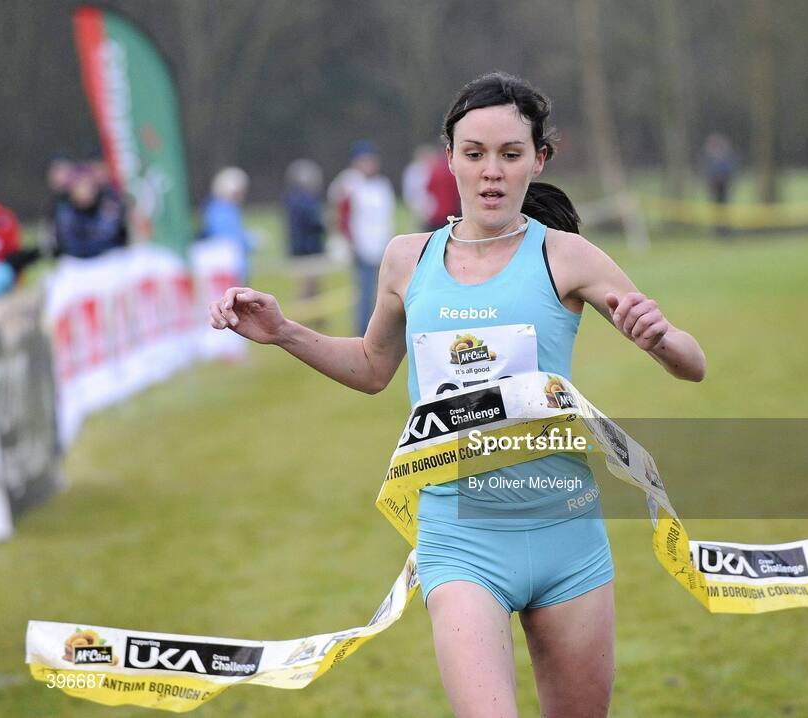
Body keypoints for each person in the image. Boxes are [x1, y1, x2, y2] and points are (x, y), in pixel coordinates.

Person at [210, 72, 705, 717]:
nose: (492, 172)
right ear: (449, 159)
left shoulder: (568, 257)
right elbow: (370, 366)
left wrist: (660, 338)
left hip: (567, 534)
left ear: (539, 159)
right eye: (474, 154)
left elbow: (691, 364)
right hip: (460, 538)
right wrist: (283, 332)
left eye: (510, 154)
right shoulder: (406, 260)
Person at [328, 142, 395, 336]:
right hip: (361, 246)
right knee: (364, 291)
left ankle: (383, 328)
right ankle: (363, 330)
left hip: (381, 245)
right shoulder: (348, 184)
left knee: (383, 291)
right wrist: (347, 242)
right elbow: (340, 215)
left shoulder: (381, 185)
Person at [54, 167, 127, 259]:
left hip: (114, 256)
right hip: (85, 264)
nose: (86, 190)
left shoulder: (105, 199)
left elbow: (121, 226)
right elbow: (75, 249)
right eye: (80, 186)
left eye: (88, 185)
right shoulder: (66, 215)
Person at [284, 159, 326, 301]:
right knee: (308, 286)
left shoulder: (291, 199)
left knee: (307, 285)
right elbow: (315, 222)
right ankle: (306, 317)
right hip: (307, 249)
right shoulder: (305, 200)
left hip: (297, 248)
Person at [202, 167, 254, 282]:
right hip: (228, 267)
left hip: (235, 266)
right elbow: (229, 239)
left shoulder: (229, 209)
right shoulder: (220, 211)